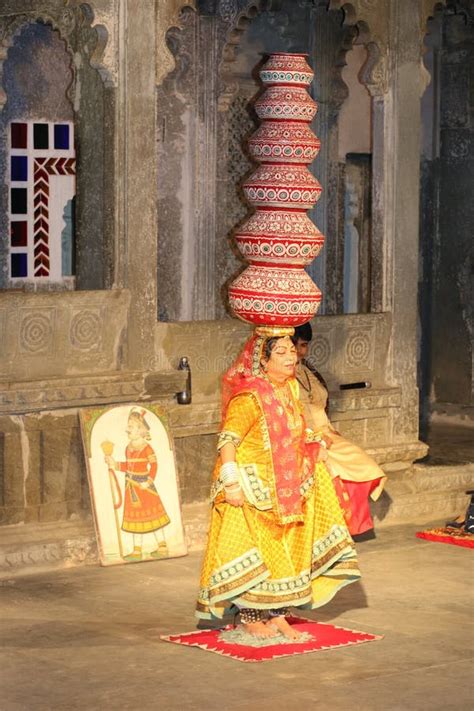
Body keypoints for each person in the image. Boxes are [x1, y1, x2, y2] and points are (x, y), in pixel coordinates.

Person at [196, 329, 360, 639]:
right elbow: (229, 439)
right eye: (281, 352)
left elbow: (295, 430)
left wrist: (316, 443)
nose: (291, 357)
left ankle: (280, 613)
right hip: (253, 489)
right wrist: (231, 482)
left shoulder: (290, 390)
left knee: (291, 549)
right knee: (258, 553)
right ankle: (251, 616)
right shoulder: (249, 395)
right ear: (263, 359)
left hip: (286, 484)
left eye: (291, 350)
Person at [293, 323, 386, 538]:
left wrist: (328, 431)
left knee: (365, 465)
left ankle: (355, 526)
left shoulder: (307, 371)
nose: (298, 352)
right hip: (302, 437)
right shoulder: (280, 378)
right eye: (293, 347)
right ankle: (337, 530)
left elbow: (319, 405)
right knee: (333, 469)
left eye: (303, 346)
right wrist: (313, 436)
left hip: (326, 431)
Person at [105, 408, 170, 561]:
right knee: (135, 520)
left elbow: (154, 466)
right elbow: (128, 466)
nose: (127, 429)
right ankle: (137, 551)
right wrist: (114, 464)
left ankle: (162, 547)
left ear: (141, 430)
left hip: (145, 487)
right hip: (131, 487)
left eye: (132, 426)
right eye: (128, 426)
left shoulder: (147, 448)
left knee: (154, 518)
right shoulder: (128, 448)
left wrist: (148, 482)